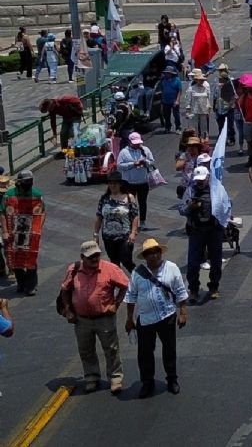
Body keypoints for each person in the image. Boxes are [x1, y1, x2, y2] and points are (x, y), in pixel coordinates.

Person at [60, 241, 129, 394]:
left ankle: (115, 378)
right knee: (85, 350)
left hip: (104, 317)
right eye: (90, 257)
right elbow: (65, 289)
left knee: (111, 349)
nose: (94, 259)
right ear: (82, 257)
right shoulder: (74, 270)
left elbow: (125, 285)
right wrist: (68, 310)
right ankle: (91, 377)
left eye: (97, 255)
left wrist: (116, 304)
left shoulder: (110, 269)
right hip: (82, 319)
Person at [124, 238, 188, 398]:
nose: (153, 255)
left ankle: (172, 379)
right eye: (149, 253)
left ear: (160, 252)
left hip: (167, 316)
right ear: (145, 256)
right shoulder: (137, 273)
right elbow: (131, 297)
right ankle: (147, 382)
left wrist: (183, 313)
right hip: (145, 319)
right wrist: (129, 319)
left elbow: (180, 291)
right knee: (144, 353)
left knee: (169, 350)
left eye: (156, 252)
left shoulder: (172, 268)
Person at [179, 166, 225, 302]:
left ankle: (214, 287)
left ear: (208, 178)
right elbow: (181, 209)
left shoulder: (217, 190)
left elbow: (228, 205)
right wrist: (190, 207)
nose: (200, 182)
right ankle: (193, 289)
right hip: (196, 231)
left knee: (216, 261)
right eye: (197, 180)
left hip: (214, 230)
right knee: (193, 262)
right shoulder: (190, 191)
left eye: (202, 180)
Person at [2, 170, 46, 295]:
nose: (28, 184)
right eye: (26, 182)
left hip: (30, 233)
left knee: (31, 258)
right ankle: (21, 283)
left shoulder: (36, 194)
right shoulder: (9, 195)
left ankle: (31, 286)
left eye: (30, 182)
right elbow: (2, 213)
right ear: (19, 183)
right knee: (16, 259)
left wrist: (39, 228)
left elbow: (42, 212)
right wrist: (5, 231)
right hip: (13, 232)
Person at [94, 171, 140, 271]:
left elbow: (135, 216)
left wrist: (133, 233)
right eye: (110, 183)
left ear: (120, 184)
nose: (112, 185)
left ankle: (139, 279)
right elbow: (99, 216)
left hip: (124, 236)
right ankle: (121, 284)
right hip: (108, 237)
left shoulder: (129, 198)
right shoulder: (104, 198)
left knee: (126, 260)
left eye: (115, 183)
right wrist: (96, 234)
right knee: (114, 263)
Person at [116, 133, 155, 230]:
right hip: (129, 183)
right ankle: (129, 222)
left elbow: (152, 161)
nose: (137, 145)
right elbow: (119, 166)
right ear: (130, 142)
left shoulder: (145, 150)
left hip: (143, 182)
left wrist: (146, 162)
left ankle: (142, 222)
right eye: (135, 143)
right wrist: (133, 164)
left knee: (143, 203)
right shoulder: (124, 152)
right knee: (129, 203)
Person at [184, 69, 213, 139]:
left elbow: (208, 99)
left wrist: (209, 109)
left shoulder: (206, 88)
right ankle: (195, 141)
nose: (202, 81)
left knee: (204, 128)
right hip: (194, 110)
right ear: (196, 80)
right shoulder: (191, 88)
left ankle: (204, 141)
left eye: (202, 80)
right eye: (200, 80)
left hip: (203, 111)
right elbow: (188, 100)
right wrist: (188, 111)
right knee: (194, 128)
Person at [158, 66, 183, 134]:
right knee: (166, 115)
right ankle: (167, 127)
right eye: (166, 73)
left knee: (176, 115)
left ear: (172, 73)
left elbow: (179, 91)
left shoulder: (177, 80)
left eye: (168, 73)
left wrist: (177, 100)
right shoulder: (163, 80)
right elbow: (162, 90)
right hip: (165, 100)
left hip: (174, 100)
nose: (167, 74)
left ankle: (178, 128)